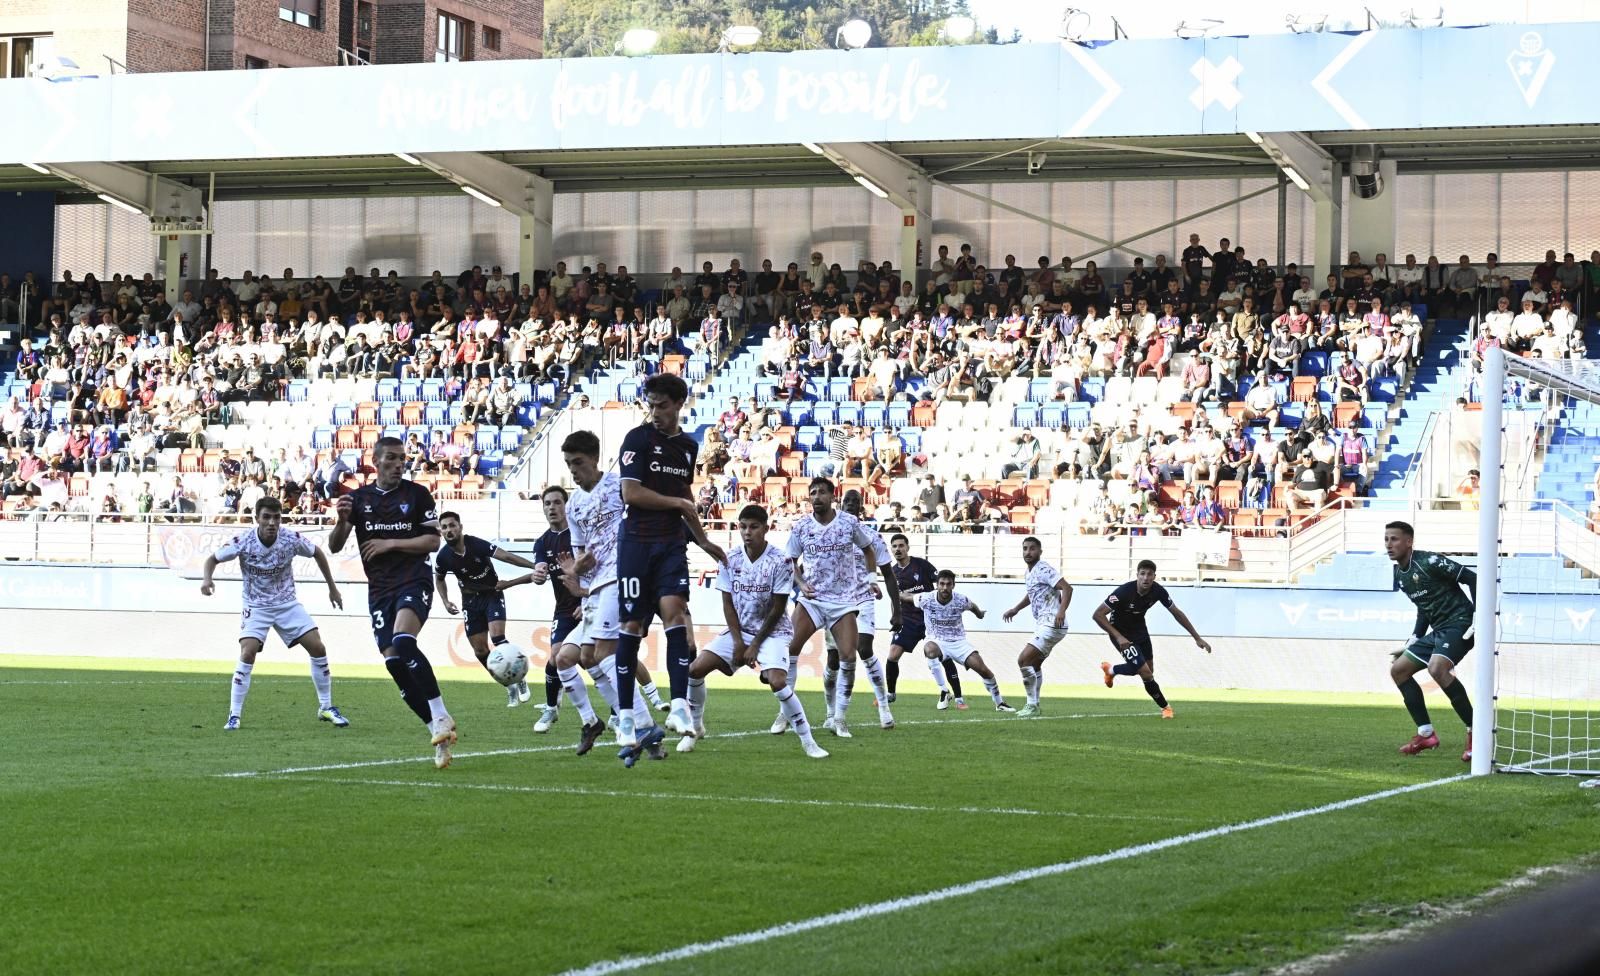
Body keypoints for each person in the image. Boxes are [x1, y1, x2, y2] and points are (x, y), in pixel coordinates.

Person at [612, 374, 728, 762]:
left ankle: (679, 704)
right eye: (652, 404)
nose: (655, 412)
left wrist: (704, 540)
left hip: (671, 544)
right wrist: (680, 507)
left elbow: (686, 498)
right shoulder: (637, 439)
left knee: (676, 612)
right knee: (631, 627)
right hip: (635, 545)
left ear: (679, 404)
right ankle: (625, 715)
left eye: (662, 405)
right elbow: (632, 493)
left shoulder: (688, 446)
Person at [328, 436, 457, 768]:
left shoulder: (417, 495)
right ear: (376, 461)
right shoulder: (358, 499)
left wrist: (388, 544)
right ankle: (437, 733)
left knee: (403, 641)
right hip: (380, 590)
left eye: (402, 458)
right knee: (394, 663)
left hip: (413, 579)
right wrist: (343, 521)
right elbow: (334, 546)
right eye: (392, 458)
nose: (399, 464)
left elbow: (431, 540)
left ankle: (441, 713)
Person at [681, 504, 828, 759]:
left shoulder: (781, 561)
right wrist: (739, 642)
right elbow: (727, 603)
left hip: (772, 633)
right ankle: (694, 728)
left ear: (766, 528)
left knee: (778, 682)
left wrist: (754, 646)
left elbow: (777, 608)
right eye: (743, 526)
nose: (747, 532)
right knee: (694, 670)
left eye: (753, 527)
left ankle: (808, 741)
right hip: (741, 631)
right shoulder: (730, 559)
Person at [559, 429, 666, 767]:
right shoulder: (574, 503)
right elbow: (577, 556)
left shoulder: (620, 486)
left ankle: (641, 725)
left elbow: (645, 519)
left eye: (578, 463)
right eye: (569, 464)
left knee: (605, 652)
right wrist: (579, 566)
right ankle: (641, 730)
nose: (574, 471)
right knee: (588, 657)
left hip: (622, 575)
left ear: (594, 458)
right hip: (596, 586)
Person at [201, 496, 347, 731]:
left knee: (318, 647)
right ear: (256, 518)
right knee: (248, 652)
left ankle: (326, 707)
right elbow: (212, 559)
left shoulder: (290, 538)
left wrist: (332, 588)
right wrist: (207, 580)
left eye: (276, 517)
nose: (272, 522)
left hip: (287, 604)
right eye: (266, 517)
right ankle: (234, 716)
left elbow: (318, 552)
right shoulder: (243, 541)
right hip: (256, 606)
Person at [785, 477, 898, 739]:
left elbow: (885, 569)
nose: (850, 505)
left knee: (862, 649)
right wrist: (799, 583)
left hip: (858, 598)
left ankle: (882, 707)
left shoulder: (864, 532)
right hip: (823, 598)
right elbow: (794, 561)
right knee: (829, 658)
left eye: (854, 502)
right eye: (848, 501)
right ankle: (820, 713)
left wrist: (891, 604)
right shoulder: (810, 527)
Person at [1384, 521, 1477, 760]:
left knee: (1438, 668)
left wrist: (1479, 614)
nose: (1389, 544)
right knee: (1399, 671)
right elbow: (1424, 607)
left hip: (1461, 622)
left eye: (1394, 539)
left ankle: (1476, 731)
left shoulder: (1430, 561)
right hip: (1439, 630)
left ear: (1409, 542)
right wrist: (1414, 638)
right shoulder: (1399, 574)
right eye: (1386, 539)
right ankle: (1426, 734)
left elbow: (1472, 578)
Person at [433, 511, 542, 707]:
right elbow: (439, 579)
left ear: (460, 527)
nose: (449, 530)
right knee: (480, 650)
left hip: (492, 594)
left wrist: (534, 566)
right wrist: (445, 601)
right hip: (470, 602)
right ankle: (508, 686)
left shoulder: (475, 544)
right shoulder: (443, 557)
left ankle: (520, 677)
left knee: (498, 638)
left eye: (452, 525)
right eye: (445, 527)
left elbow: (506, 556)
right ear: (441, 531)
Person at [1092, 559, 1213, 718]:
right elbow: (1097, 615)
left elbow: (1176, 612)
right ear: (1137, 575)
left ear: (1154, 576)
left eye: (1149, 574)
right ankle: (1166, 708)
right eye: (1142, 574)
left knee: (1148, 671)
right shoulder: (1123, 592)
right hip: (1120, 633)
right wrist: (1118, 637)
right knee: (1145, 673)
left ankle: (1111, 669)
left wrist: (1197, 638)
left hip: (1140, 631)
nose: (1146, 578)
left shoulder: (1158, 591)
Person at [903, 571, 1014, 712]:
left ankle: (1000, 703)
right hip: (937, 641)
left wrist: (979, 614)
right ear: (937, 585)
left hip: (959, 643)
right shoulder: (926, 598)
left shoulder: (961, 600)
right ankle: (944, 690)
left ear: (953, 585)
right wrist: (896, 592)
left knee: (983, 670)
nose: (945, 587)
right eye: (942, 584)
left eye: (948, 584)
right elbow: (907, 597)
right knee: (929, 649)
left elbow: (972, 606)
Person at [529, 485, 589, 737]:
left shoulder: (580, 533)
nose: (552, 507)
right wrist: (538, 573)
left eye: (557, 502)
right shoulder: (543, 541)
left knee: (595, 659)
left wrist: (586, 602)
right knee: (555, 656)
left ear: (566, 505)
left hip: (591, 604)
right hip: (564, 609)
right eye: (547, 503)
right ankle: (551, 707)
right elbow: (540, 566)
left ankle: (619, 713)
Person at [880, 533, 963, 709]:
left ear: (907, 547)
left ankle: (958, 697)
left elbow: (942, 582)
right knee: (893, 654)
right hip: (907, 620)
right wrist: (895, 619)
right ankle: (891, 694)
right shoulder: (893, 573)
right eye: (894, 546)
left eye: (901, 545)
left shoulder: (921, 565)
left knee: (943, 654)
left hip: (929, 618)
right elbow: (894, 599)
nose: (898, 549)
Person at [1000, 536, 1074, 718]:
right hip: (1045, 623)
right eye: (1025, 548)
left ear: (1040, 551)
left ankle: (1031, 705)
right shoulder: (1029, 572)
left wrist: (1061, 611)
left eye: (1032, 548)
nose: (1028, 552)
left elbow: (1067, 588)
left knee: (1023, 660)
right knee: (1034, 663)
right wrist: (1016, 609)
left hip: (1052, 623)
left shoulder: (1043, 568)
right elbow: (1032, 594)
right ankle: (1035, 704)